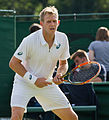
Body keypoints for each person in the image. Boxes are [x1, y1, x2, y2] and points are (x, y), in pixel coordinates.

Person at [9, 6, 78, 120]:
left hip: (46, 83)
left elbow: (63, 63)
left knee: (72, 118)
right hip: (24, 82)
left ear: (58, 22)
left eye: (54, 21)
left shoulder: (63, 38)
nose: (52, 24)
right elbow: (13, 63)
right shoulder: (29, 40)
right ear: (42, 23)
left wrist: (59, 74)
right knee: (16, 116)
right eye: (48, 22)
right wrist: (34, 80)